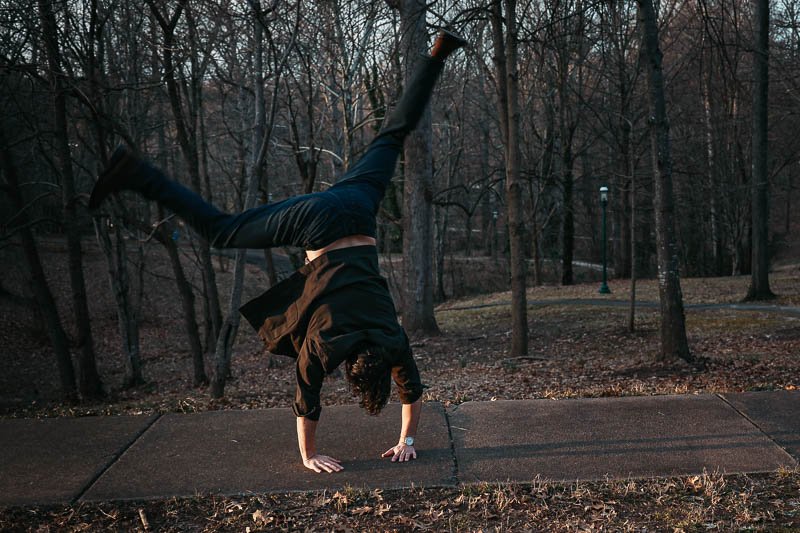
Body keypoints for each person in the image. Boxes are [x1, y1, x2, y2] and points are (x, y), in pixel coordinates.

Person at [88, 29, 467, 473]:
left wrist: (408, 437)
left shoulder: (392, 338)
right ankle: (135, 172)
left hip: (359, 210)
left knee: (393, 134)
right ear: (350, 370)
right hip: (319, 221)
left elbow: (412, 394)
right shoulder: (325, 347)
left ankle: (437, 54)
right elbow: (306, 402)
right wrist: (309, 456)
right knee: (224, 232)